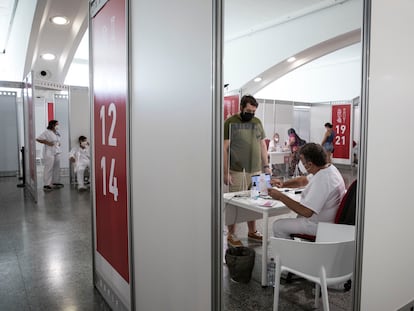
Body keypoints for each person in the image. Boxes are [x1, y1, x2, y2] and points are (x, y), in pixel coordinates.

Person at [267, 143, 346, 239]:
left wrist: (280, 196)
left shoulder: (322, 180)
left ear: (309, 164)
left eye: (302, 161)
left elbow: (306, 212)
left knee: (278, 225)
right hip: (326, 220)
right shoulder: (328, 169)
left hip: (318, 225)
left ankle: (288, 253)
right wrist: (283, 184)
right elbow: (303, 180)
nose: (301, 164)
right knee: (297, 217)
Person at [224, 94, 272, 247]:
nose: (251, 114)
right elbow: (224, 148)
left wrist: (266, 166)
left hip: (257, 169)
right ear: (241, 107)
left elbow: (262, 145)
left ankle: (252, 231)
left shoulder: (257, 122)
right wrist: (225, 172)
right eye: (248, 110)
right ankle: (231, 234)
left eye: (253, 112)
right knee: (234, 202)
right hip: (237, 170)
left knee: (257, 200)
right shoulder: (230, 123)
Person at [36, 120, 63, 191]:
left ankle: (55, 182)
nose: (58, 126)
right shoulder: (47, 132)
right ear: (53, 125)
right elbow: (38, 139)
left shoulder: (56, 133)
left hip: (57, 151)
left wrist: (58, 143)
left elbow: (57, 140)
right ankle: (47, 184)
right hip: (49, 152)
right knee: (49, 167)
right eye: (57, 124)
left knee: (56, 167)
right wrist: (47, 143)